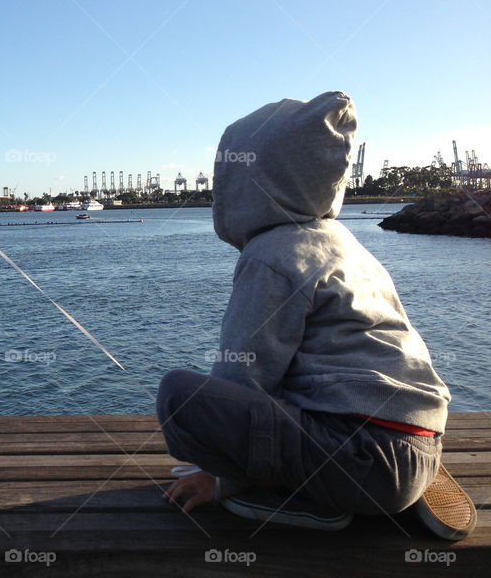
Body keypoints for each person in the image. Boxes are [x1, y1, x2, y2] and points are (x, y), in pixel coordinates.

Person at [157, 91, 476, 539]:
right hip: (420, 439)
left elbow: (243, 373)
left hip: (362, 458)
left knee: (180, 397)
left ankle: (296, 496)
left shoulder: (272, 255)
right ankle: (398, 475)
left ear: (245, 182)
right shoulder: (346, 246)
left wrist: (222, 473)